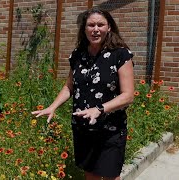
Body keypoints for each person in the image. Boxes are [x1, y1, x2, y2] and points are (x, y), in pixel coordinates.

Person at [31, 7, 134, 180]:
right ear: (84, 28)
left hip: (110, 129)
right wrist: (53, 106)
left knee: (111, 175)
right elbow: (69, 87)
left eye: (100, 25)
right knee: (90, 174)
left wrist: (99, 109)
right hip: (83, 127)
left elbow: (128, 95)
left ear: (109, 27)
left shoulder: (120, 54)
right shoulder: (78, 55)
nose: (95, 29)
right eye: (91, 25)